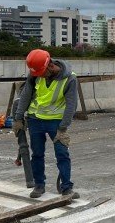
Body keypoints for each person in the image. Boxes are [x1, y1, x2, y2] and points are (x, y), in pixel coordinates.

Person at [13, 49, 79, 199]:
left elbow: (71, 105)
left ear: (50, 66)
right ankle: (39, 185)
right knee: (37, 154)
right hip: (35, 119)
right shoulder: (35, 75)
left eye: (41, 72)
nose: (38, 76)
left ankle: (66, 188)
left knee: (62, 154)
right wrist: (18, 119)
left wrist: (63, 128)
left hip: (56, 122)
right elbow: (25, 96)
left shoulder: (70, 79)